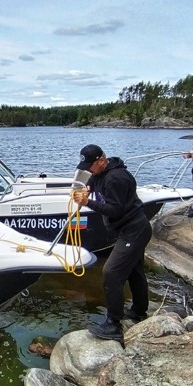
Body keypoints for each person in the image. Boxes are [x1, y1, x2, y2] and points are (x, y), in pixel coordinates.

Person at [73, 144, 152, 341]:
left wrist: (87, 203)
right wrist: (86, 190)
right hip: (131, 229)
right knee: (134, 271)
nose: (88, 170)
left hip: (134, 230)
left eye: (91, 165)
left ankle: (113, 325)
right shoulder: (101, 173)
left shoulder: (116, 178)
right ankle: (139, 311)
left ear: (102, 160)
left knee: (111, 272)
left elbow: (115, 210)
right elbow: (92, 181)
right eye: (86, 166)